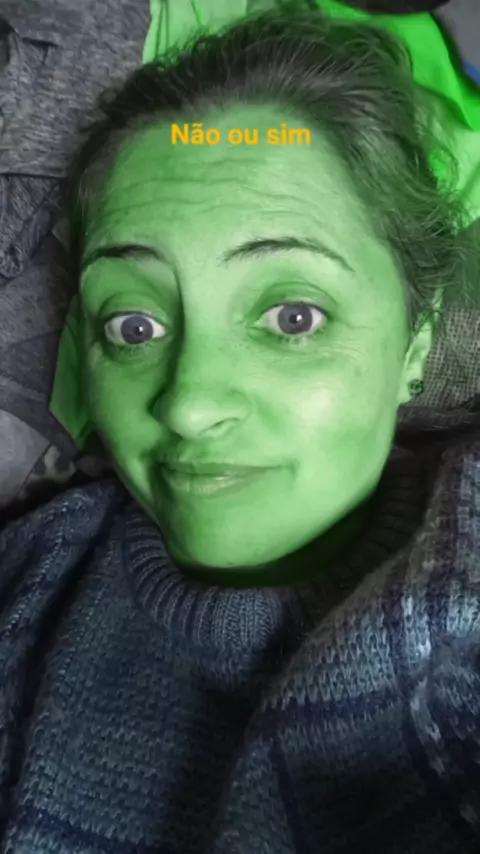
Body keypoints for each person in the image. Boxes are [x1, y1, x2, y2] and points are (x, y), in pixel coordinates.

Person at [1, 6, 479, 853]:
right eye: (134, 327)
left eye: (293, 316)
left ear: (416, 340)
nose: (188, 404)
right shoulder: (24, 590)